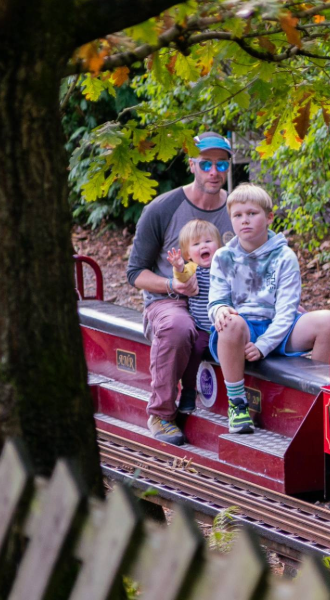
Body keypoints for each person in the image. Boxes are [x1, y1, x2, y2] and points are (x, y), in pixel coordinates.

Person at [126, 132, 237, 445]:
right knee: (178, 327)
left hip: (227, 297)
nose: (214, 172)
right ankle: (161, 414)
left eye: (221, 164)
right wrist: (172, 285)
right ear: (192, 165)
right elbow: (135, 273)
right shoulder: (162, 209)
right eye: (206, 164)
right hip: (169, 302)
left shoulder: (238, 208)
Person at [207, 184, 330, 434]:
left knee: (328, 321)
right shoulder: (223, 257)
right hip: (241, 331)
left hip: (278, 327)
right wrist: (220, 311)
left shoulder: (284, 256)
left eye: (252, 213)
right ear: (231, 220)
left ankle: (315, 400)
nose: (244, 221)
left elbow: (287, 311)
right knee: (230, 321)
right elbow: (216, 301)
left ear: (269, 217)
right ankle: (237, 404)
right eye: (238, 215)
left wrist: (264, 345)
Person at [167, 220, 222, 334]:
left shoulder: (223, 266)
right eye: (196, 244)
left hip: (222, 322)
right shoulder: (192, 268)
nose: (203, 246)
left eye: (208, 241)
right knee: (198, 348)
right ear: (188, 255)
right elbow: (183, 277)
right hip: (200, 325)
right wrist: (179, 267)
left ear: (218, 246)